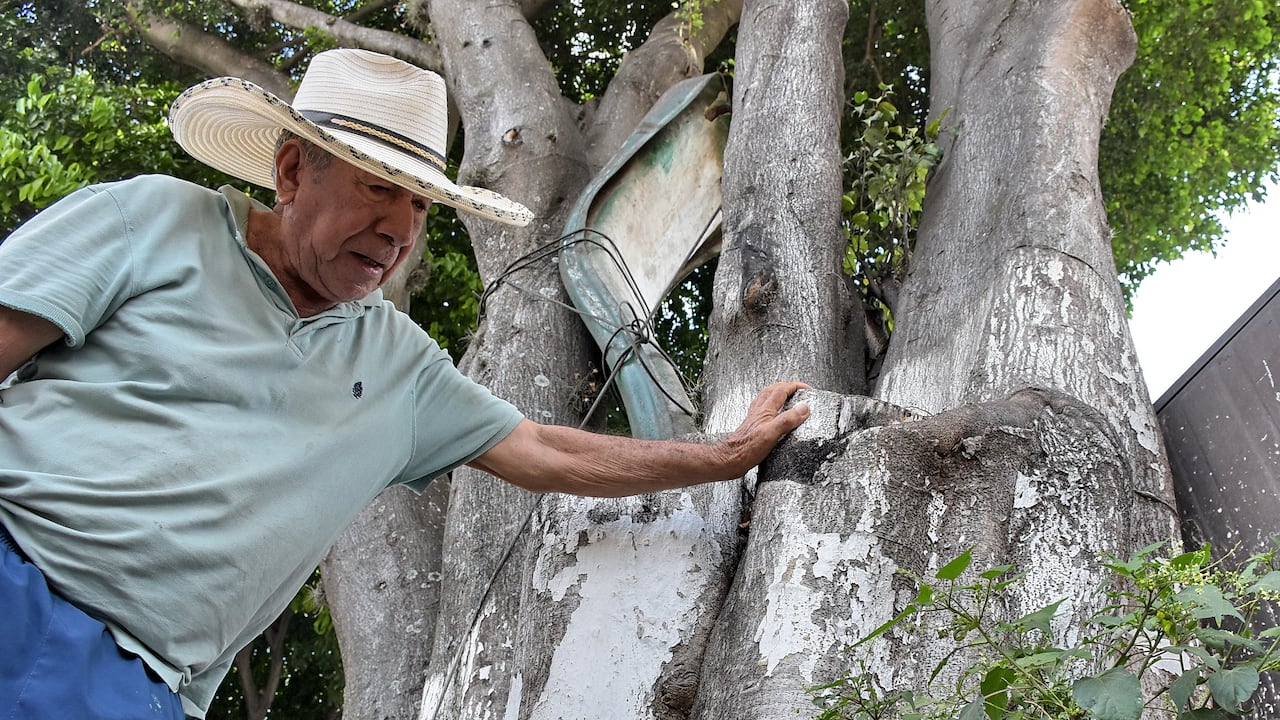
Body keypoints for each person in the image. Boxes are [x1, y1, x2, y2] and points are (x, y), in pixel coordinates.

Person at [0, 48, 810, 719]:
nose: (399, 229)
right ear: (290, 172)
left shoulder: (401, 364)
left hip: (137, 688)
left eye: (421, 203)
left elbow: (543, 450)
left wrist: (721, 456)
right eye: (377, 185)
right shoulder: (153, 220)